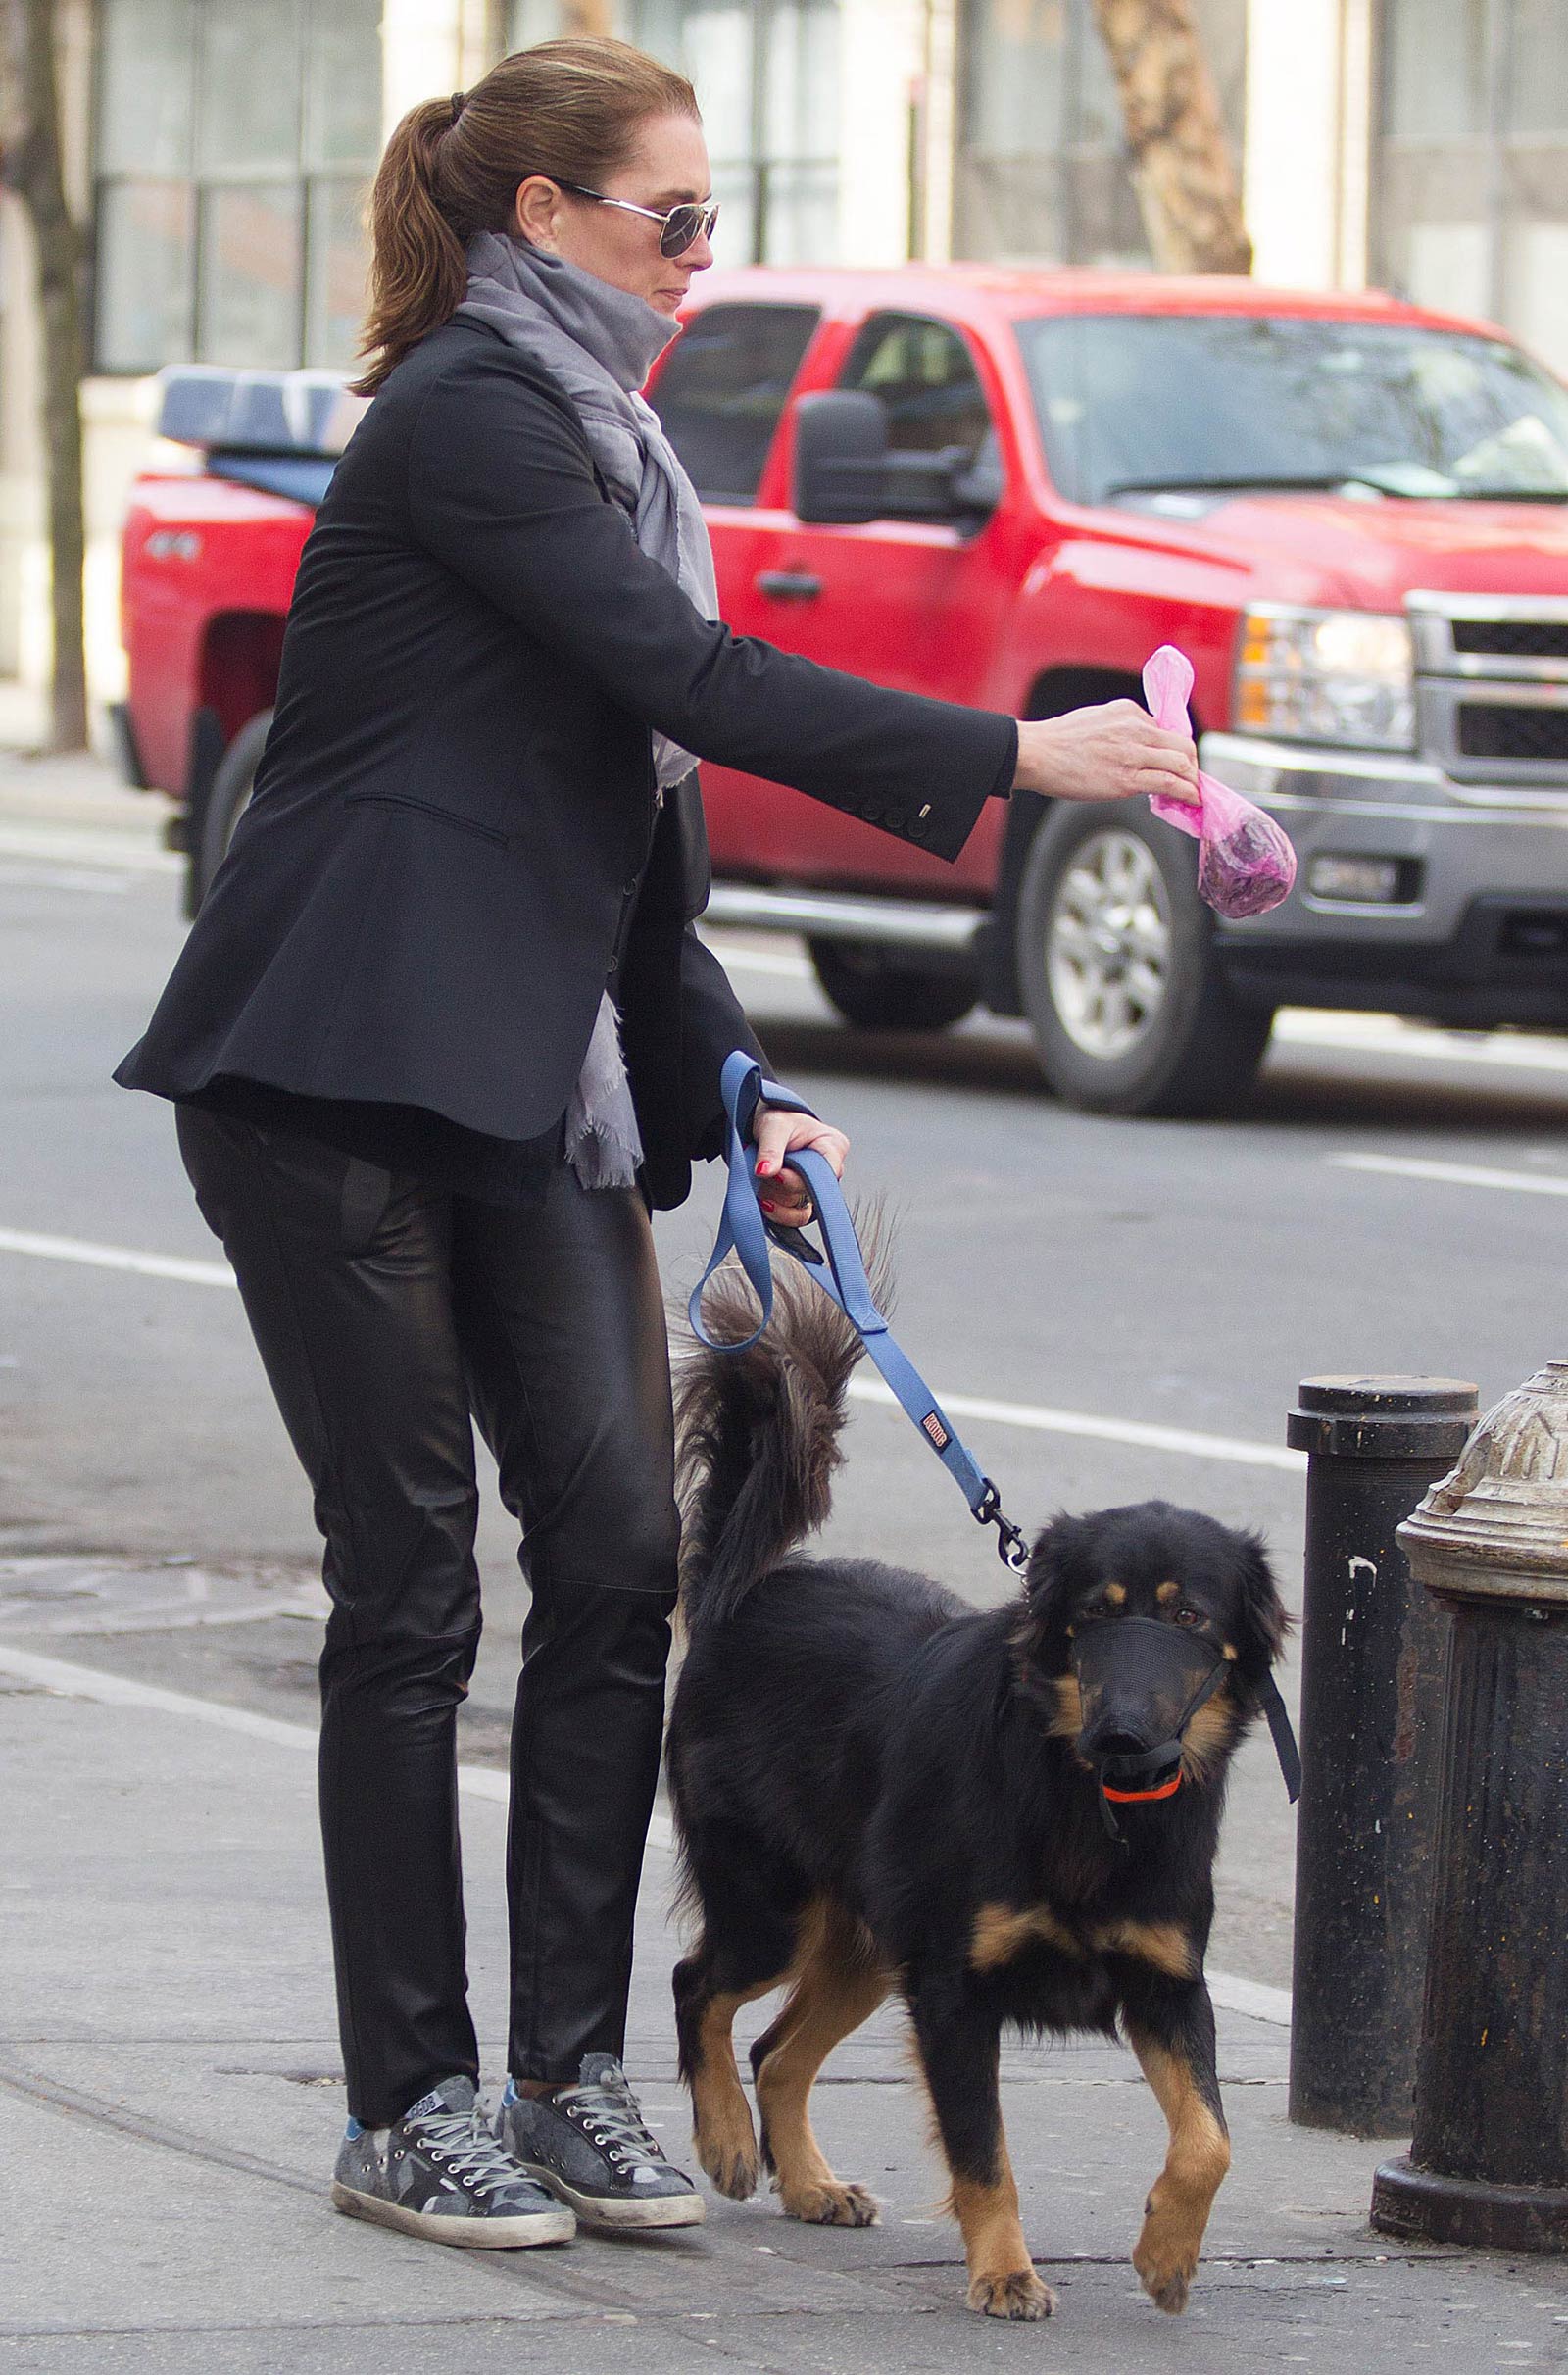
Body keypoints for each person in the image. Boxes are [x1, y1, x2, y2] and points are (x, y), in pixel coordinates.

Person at [114, 35, 1199, 2253]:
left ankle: (571, 2073)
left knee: (618, 1561)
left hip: (525, 1085)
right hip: (328, 1073)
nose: (707, 256)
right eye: (674, 217)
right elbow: (690, 682)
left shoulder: (616, 449)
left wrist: (737, 1081)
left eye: (720, 214)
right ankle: (408, 2101)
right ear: (545, 220)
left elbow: (632, 835)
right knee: (411, 1595)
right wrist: (1015, 753)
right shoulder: (468, 421)